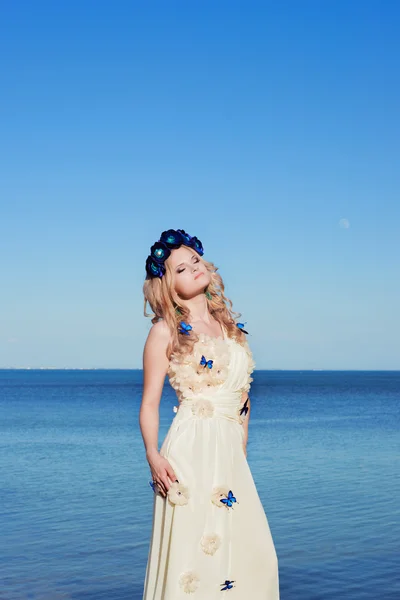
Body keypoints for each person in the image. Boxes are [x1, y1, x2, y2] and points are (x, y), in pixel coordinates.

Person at [139, 228, 279, 599]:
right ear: (168, 284)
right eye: (181, 269)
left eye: (195, 261)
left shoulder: (232, 328)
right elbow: (150, 402)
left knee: (255, 555)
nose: (193, 269)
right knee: (194, 558)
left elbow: (243, 397)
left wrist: (241, 446)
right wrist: (153, 455)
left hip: (230, 450)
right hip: (190, 451)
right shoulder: (163, 331)